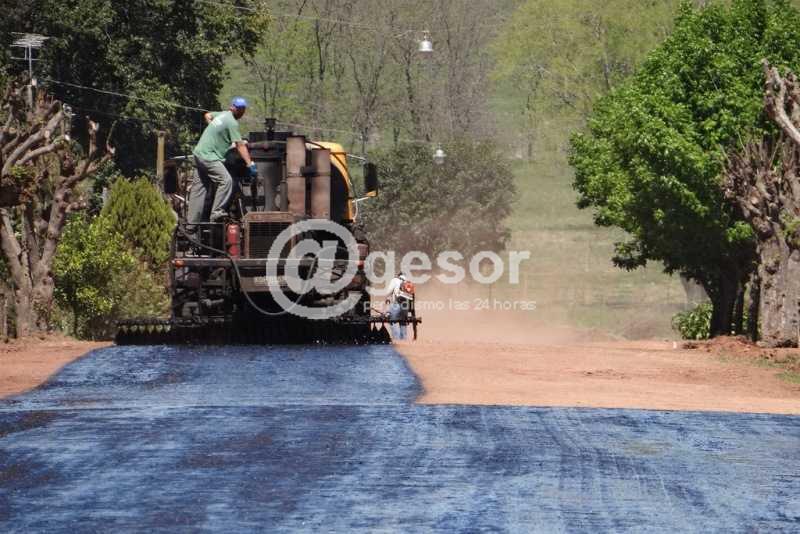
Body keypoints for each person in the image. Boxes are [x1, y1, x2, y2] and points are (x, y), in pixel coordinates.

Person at [187, 97, 257, 224]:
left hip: (198, 154)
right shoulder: (232, 122)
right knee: (226, 181)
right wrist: (250, 164)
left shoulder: (222, 115)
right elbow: (240, 145)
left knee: (199, 190)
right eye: (239, 109)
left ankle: (191, 226)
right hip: (209, 156)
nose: (241, 111)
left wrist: (215, 130)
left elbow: (207, 115)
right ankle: (217, 213)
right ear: (233, 107)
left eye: (243, 109)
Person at [386, 272, 413, 340]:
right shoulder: (407, 282)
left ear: (398, 275)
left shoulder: (395, 280)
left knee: (393, 322)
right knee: (403, 323)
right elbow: (411, 296)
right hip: (405, 306)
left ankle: (397, 341)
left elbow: (388, 292)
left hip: (396, 305)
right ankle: (404, 341)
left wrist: (387, 299)